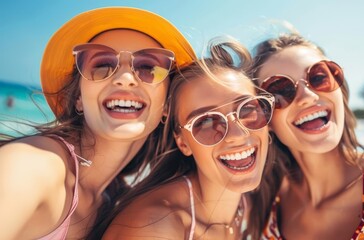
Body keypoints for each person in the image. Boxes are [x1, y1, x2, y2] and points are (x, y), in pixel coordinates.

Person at [0, 7, 195, 240]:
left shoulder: (117, 205)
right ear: (79, 99)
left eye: (148, 68)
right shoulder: (32, 166)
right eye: (102, 65)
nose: (125, 79)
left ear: (166, 106)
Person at [250, 33, 364, 239]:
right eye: (280, 91)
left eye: (319, 77)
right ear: (265, 117)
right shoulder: (266, 199)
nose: (308, 96)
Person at [102, 38, 275, 240]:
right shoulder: (153, 227)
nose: (237, 135)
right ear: (183, 142)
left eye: (247, 109)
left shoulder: (255, 204)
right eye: (207, 122)